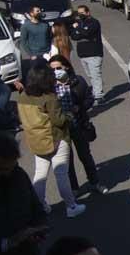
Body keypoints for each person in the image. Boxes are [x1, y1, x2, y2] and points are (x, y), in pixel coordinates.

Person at [17, 63, 86, 218]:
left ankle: (39, 206)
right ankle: (71, 206)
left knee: (40, 175)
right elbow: (59, 120)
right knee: (61, 173)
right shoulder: (49, 97)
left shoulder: (22, 96)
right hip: (55, 137)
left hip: (36, 141)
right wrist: (69, 115)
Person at [49, 54, 109, 195]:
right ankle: (74, 188)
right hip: (62, 130)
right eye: (52, 69)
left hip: (78, 125)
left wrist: (79, 107)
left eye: (58, 68)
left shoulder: (78, 81)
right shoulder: (49, 87)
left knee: (85, 156)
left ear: (66, 67)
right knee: (67, 161)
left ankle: (95, 182)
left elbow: (89, 98)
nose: (56, 71)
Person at [70, 5, 104, 104]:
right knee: (90, 75)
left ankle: (98, 96)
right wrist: (78, 30)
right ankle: (96, 91)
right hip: (83, 55)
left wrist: (78, 29)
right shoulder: (80, 23)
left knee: (95, 75)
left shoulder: (94, 22)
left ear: (88, 12)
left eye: (82, 13)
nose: (80, 15)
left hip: (94, 54)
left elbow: (87, 33)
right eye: (79, 13)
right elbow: (74, 36)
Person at [19, 5, 52, 78]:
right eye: (37, 11)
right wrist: (31, 54)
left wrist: (50, 50)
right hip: (35, 55)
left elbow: (50, 37)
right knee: (37, 76)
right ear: (31, 13)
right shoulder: (26, 26)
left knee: (48, 74)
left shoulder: (45, 24)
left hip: (47, 53)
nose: (40, 12)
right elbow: (23, 42)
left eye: (40, 11)